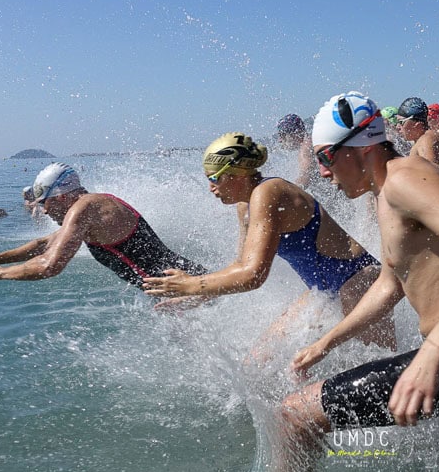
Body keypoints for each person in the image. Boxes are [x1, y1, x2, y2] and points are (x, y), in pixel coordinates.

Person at [275, 92, 439, 472]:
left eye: (326, 157)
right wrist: (327, 342)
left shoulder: (405, 179)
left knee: (294, 416)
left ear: (361, 147)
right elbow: (391, 285)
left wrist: (432, 354)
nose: (324, 172)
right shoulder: (389, 192)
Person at [142, 132, 395, 349]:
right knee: (258, 364)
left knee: (378, 372)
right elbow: (240, 264)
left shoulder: (269, 192)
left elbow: (254, 275)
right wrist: (198, 297)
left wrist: (191, 285)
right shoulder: (245, 205)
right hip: (321, 290)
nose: (211, 187)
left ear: (237, 174)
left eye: (214, 178)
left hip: (357, 280)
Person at [0, 163, 206, 286]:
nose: (44, 210)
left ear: (63, 196)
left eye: (45, 202)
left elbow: (49, 266)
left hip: (187, 287)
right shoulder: (89, 208)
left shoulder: (85, 207)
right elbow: (43, 244)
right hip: (179, 288)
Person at [397, 96, 439, 172]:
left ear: (417, 124)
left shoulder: (426, 140)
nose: (397, 127)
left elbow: (432, 174)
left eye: (401, 122)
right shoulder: (426, 139)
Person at [275, 114, 320, 189]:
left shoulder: (306, 148)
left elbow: (305, 176)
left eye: (282, 135)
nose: (280, 140)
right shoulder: (311, 141)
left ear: (294, 134)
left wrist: (289, 193)